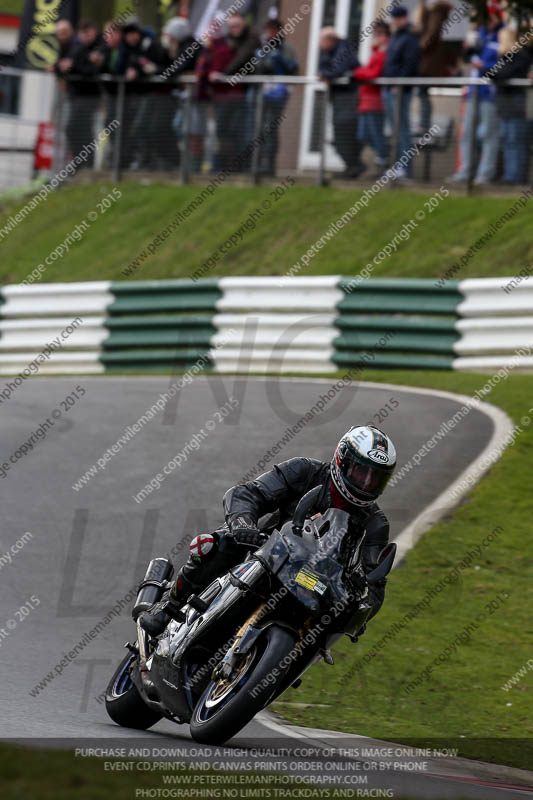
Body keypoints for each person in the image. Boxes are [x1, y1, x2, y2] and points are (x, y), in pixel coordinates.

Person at [140, 426, 397, 642]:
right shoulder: (304, 471)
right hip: (267, 552)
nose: (366, 483)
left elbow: (374, 583)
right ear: (343, 461)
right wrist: (244, 523)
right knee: (217, 544)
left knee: (326, 633)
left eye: (376, 479)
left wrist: (363, 611)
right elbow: (248, 494)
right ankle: (169, 605)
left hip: (315, 586)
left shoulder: (375, 524)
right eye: (362, 472)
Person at [448, 7, 503, 185]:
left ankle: (485, 174)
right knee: (467, 134)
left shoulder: (502, 35)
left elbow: (503, 65)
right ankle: (465, 172)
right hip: (473, 91)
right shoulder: (479, 34)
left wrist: (484, 68)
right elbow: (468, 59)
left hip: (489, 93)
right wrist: (466, 51)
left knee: (488, 134)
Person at [254, 18, 299, 176]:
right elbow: (255, 68)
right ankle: (255, 163)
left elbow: (293, 69)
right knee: (257, 128)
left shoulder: (287, 49)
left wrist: (278, 58)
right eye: (268, 31)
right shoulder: (261, 48)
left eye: (274, 31)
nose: (270, 34)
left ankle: (269, 165)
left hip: (278, 94)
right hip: (262, 93)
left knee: (270, 128)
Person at [319, 26, 364, 178]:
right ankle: (351, 167)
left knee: (344, 134)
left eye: (322, 40)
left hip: (349, 100)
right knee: (340, 136)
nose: (320, 44)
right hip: (339, 100)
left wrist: (327, 75)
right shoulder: (328, 53)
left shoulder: (344, 49)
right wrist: (326, 73)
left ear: (330, 40)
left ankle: (354, 166)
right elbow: (323, 68)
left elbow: (336, 71)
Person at [382, 5, 420, 181]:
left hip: (400, 90)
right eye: (393, 18)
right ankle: (397, 166)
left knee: (402, 129)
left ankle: (406, 169)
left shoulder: (410, 37)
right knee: (394, 130)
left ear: (404, 18)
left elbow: (410, 63)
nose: (394, 21)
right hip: (389, 87)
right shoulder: (396, 36)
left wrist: (400, 83)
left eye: (397, 18)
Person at [491, 25, 533, 184]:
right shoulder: (504, 57)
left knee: (517, 140)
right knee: (507, 140)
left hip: (517, 104)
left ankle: (517, 176)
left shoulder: (521, 56)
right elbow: (495, 73)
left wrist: (495, 73)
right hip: (504, 105)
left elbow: (503, 74)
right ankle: (509, 175)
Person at [353, 22, 390, 175]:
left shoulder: (383, 54)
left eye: (380, 34)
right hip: (365, 102)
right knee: (363, 135)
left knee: (375, 134)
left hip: (375, 103)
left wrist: (356, 73)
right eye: (375, 34)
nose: (376, 37)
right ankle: (384, 157)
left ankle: (384, 161)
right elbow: (368, 71)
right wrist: (362, 72)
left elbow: (373, 74)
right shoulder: (376, 53)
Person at [413, 0, 452, 133]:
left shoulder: (436, 11)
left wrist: (419, 47)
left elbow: (432, 32)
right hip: (425, 61)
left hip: (427, 62)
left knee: (423, 93)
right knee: (422, 93)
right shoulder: (431, 11)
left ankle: (424, 125)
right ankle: (424, 124)